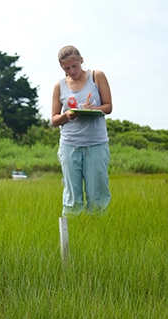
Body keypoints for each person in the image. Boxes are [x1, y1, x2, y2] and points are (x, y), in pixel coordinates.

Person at [51, 45, 113, 216]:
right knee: (72, 194)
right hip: (70, 144)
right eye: (67, 68)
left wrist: (93, 109)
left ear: (81, 60)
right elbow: (55, 119)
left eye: (74, 66)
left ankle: (98, 227)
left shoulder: (96, 76)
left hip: (96, 143)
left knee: (98, 191)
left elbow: (108, 107)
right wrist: (67, 115)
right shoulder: (60, 86)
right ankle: (73, 230)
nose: (72, 71)